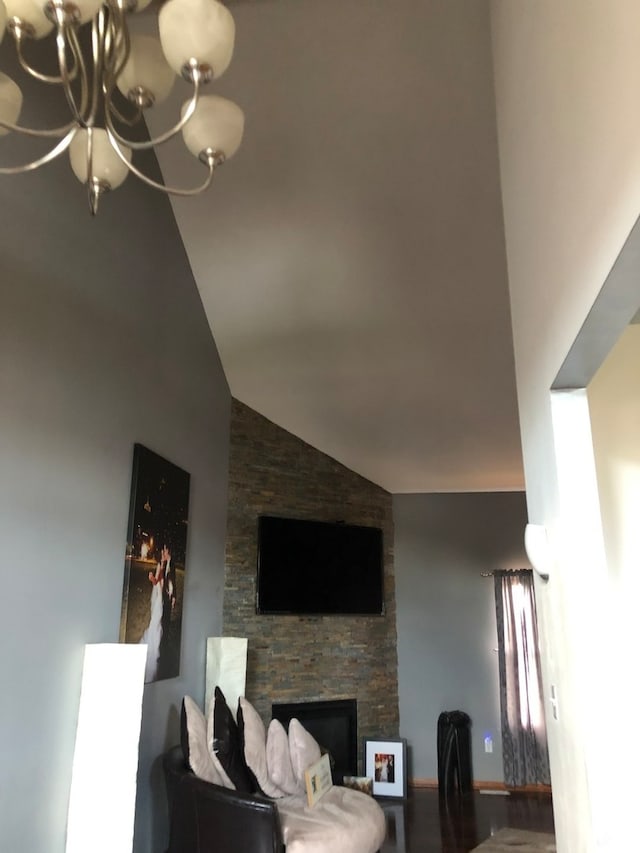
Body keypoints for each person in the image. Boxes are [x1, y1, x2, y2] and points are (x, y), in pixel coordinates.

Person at [139, 545, 171, 682]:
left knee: (156, 620)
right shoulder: (161, 565)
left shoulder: (165, 566)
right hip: (157, 597)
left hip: (160, 599)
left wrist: (153, 579)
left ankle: (154, 642)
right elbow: (158, 583)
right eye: (162, 551)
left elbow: (160, 582)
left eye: (165, 551)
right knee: (155, 618)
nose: (163, 553)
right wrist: (154, 579)